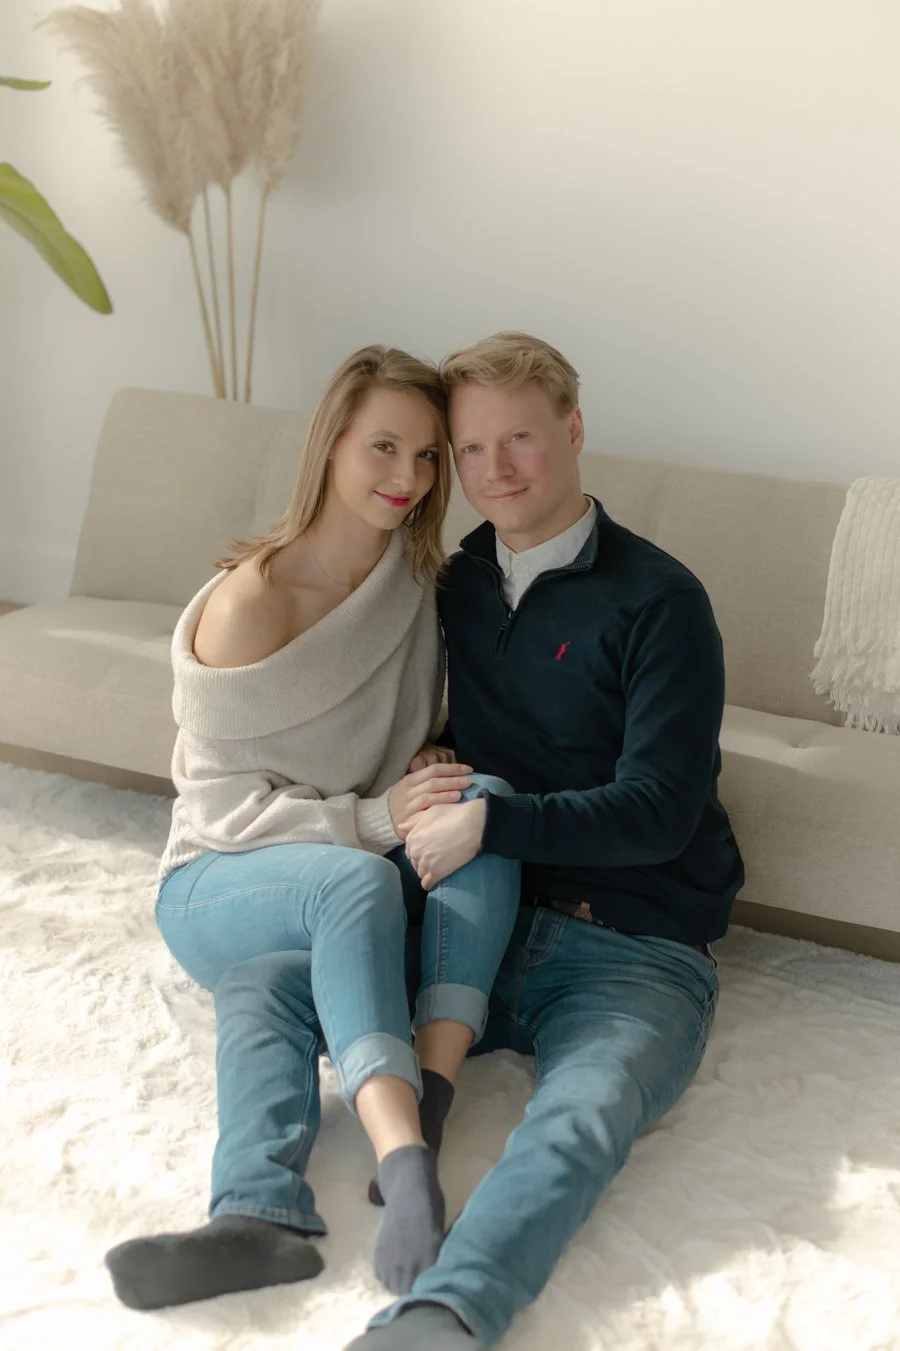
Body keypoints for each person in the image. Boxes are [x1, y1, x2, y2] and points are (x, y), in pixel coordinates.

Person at [345, 332, 745, 1351]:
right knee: (296, 966)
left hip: (633, 944)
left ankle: (444, 1311)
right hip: (482, 910)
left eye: (519, 438)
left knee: (584, 1117)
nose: (496, 471)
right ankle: (256, 1205)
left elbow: (659, 805)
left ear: (572, 430)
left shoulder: (663, 601)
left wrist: (495, 816)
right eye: (470, 450)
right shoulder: (454, 579)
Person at [103, 346, 521, 1312]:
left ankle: (258, 1218)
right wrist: (374, 817)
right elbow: (222, 810)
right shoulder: (252, 604)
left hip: (332, 897)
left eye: (425, 457)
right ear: (331, 442)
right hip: (220, 879)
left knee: (474, 808)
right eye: (383, 446)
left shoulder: (416, 584)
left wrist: (429, 761)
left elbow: (422, 727)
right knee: (356, 881)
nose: (407, 479)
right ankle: (408, 1154)